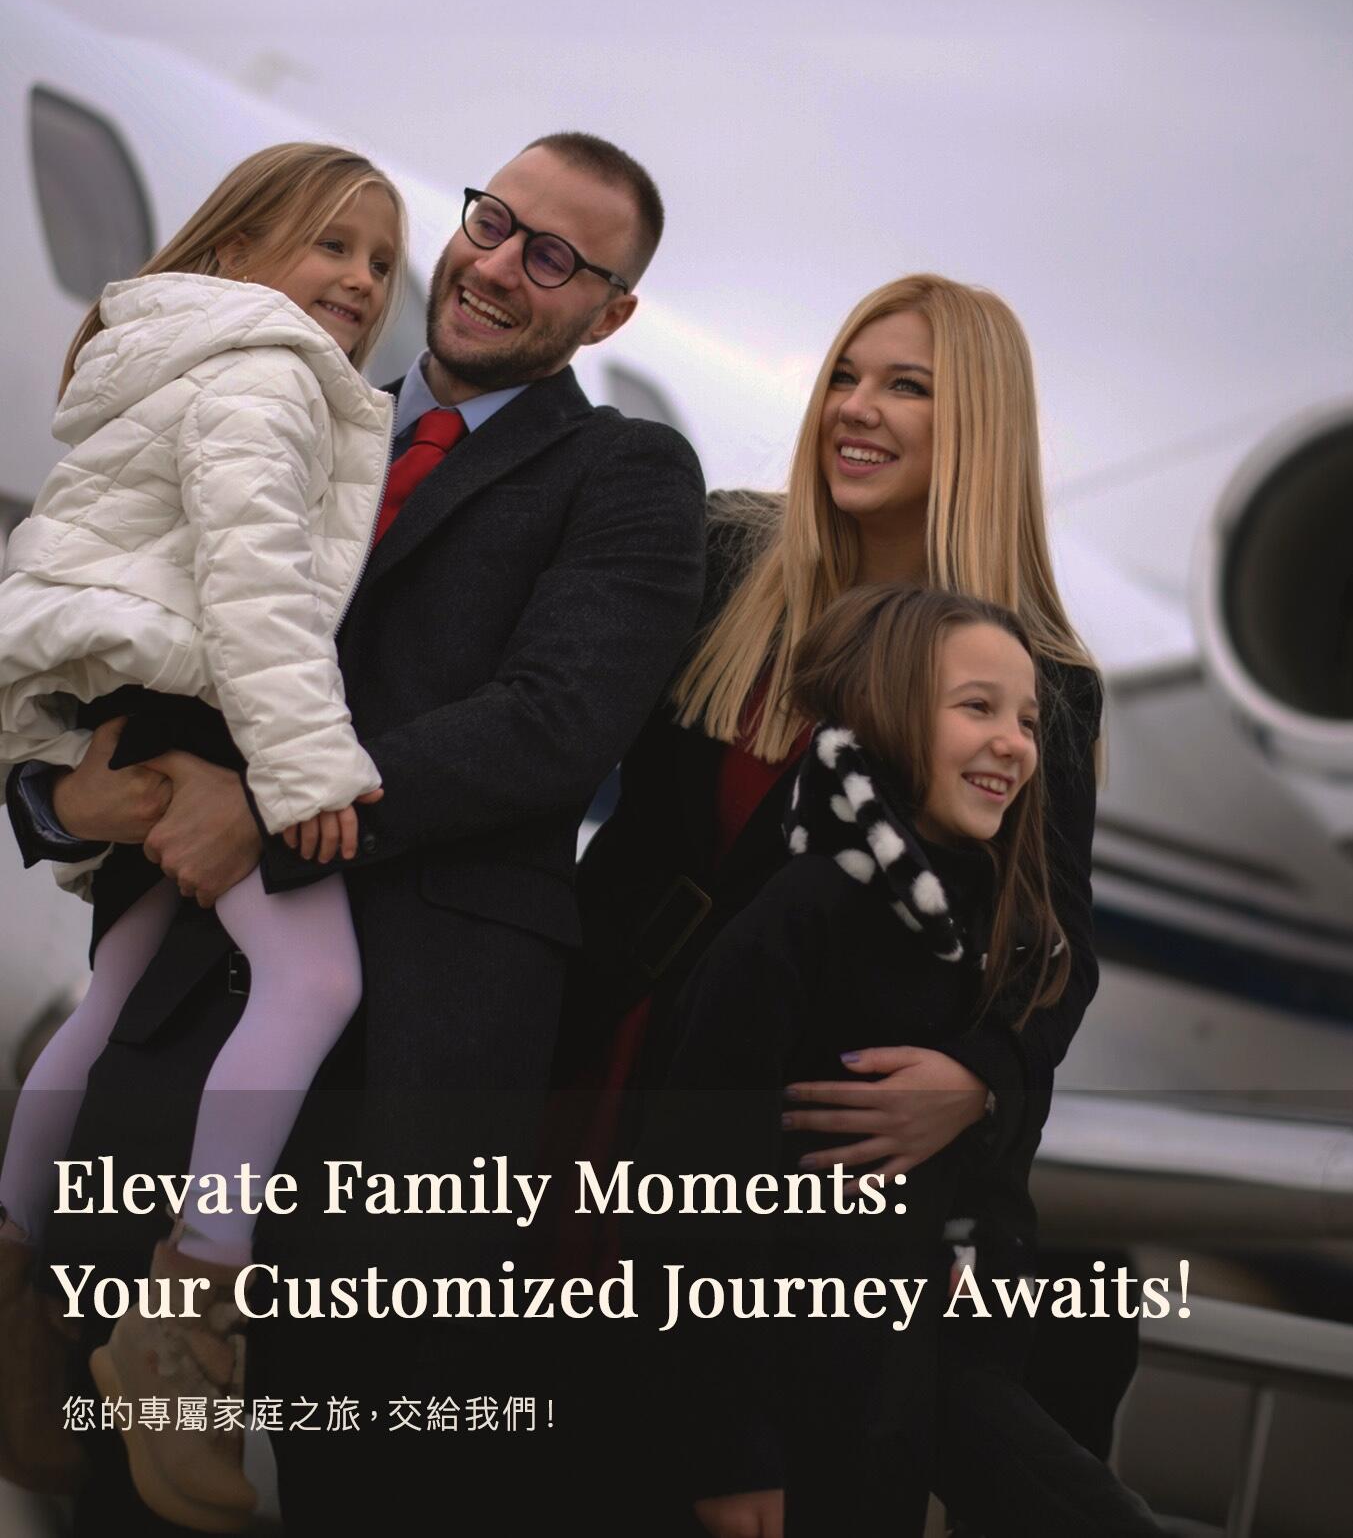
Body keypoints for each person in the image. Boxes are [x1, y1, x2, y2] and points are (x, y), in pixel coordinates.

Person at [5, 131, 707, 1532]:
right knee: (121, 1497)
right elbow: (127, 625)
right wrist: (54, 796)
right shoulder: (286, 404)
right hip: (173, 1041)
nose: (496, 266)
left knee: (369, 1482)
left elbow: (551, 724)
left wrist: (266, 809)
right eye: (493, 221)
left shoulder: (628, 474)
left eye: (554, 257)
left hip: (412, 1083)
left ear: (610, 311)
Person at [577, 275, 1131, 1530]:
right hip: (613, 1063)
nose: (855, 408)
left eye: (905, 387)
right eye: (844, 375)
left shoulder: (1037, 681)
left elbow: (1055, 948)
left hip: (797, 1154)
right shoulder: (731, 568)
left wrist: (983, 1077)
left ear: (976, 426)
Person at [0, 140, 404, 1526]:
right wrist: (306, 771)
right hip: (209, 699)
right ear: (235, 250)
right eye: (330, 244)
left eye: (379, 260)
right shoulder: (266, 371)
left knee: (110, 998)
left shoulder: (162, 351)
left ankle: (14, 1284)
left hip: (134, 691)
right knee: (317, 979)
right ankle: (187, 1314)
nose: (361, 281)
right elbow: (256, 589)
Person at [637, 584, 1164, 1538]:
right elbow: (695, 1200)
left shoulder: (993, 937)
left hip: (918, 1381)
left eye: (1027, 722)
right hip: (796, 1409)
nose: (1015, 744)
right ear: (887, 713)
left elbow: (990, 1181)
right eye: (977, 708)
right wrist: (729, 1452)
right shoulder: (796, 921)